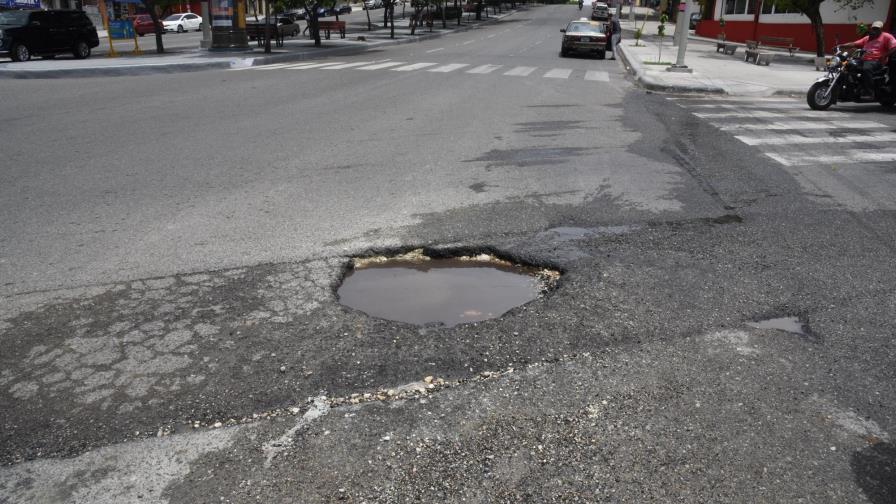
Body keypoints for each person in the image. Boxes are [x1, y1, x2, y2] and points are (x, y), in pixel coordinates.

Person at [838, 20, 896, 99]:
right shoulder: (867, 38)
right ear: (871, 28)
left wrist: (884, 55)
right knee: (848, 65)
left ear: (881, 29)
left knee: (866, 68)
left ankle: (869, 92)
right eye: (874, 28)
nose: (875, 30)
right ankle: (848, 89)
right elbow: (854, 43)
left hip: (876, 60)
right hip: (864, 59)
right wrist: (841, 45)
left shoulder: (887, 36)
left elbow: (894, 47)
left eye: (877, 29)